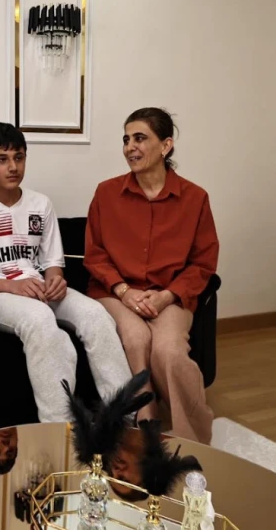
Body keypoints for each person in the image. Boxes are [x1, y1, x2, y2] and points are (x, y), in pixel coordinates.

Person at [0, 122, 132, 423]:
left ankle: (124, 419)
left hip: (38, 288)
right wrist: (12, 286)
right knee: (40, 318)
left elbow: (53, 265)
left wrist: (56, 280)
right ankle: (59, 428)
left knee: (96, 314)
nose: (13, 167)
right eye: (2, 159)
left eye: (19, 157)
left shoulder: (40, 204)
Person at [84, 107, 218, 445]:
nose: (130, 147)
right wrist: (124, 291)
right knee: (135, 338)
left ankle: (195, 440)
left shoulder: (195, 198)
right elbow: (95, 254)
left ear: (166, 145)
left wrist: (167, 296)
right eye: (126, 139)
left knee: (169, 351)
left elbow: (203, 263)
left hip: (169, 294)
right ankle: (146, 420)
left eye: (140, 138)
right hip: (115, 293)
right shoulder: (106, 193)